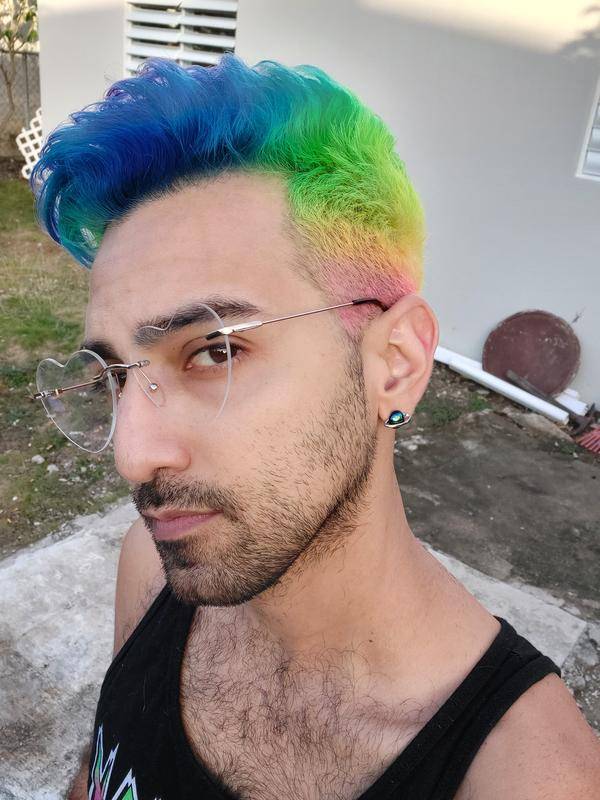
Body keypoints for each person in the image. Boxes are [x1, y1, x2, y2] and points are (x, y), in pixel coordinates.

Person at [30, 55, 600, 800]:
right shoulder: (151, 568)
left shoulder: (528, 778)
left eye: (215, 351)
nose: (133, 455)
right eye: (116, 376)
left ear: (395, 363)